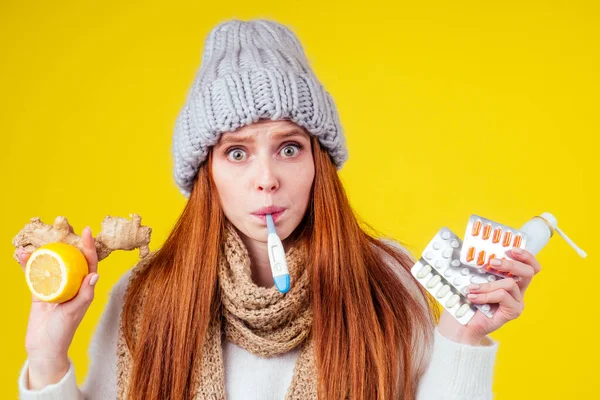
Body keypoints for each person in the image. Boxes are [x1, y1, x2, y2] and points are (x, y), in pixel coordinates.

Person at [16, 19, 541, 400]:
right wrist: (45, 359)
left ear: (318, 163)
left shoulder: (388, 283)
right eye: (237, 152)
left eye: (289, 148)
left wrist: (463, 336)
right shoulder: (147, 299)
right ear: (208, 174)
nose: (266, 178)